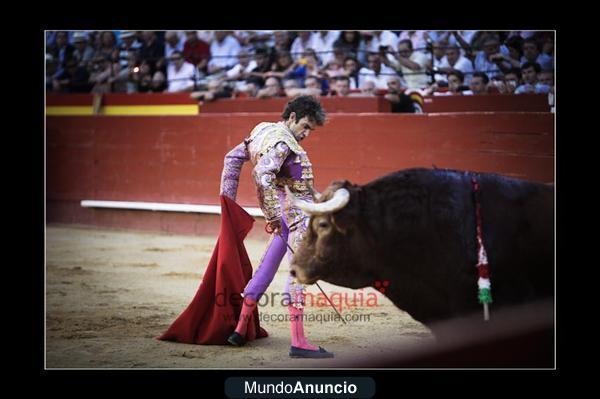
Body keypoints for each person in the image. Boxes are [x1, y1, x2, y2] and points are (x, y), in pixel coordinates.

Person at [220, 95, 333, 358]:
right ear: (292, 116)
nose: (306, 133)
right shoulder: (284, 141)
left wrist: (227, 203)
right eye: (305, 126)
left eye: (310, 130)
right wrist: (269, 215)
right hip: (296, 217)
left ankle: (239, 330)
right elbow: (262, 174)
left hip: (285, 214)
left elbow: (231, 159)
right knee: (298, 273)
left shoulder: (262, 131)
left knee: (265, 268)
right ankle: (299, 342)